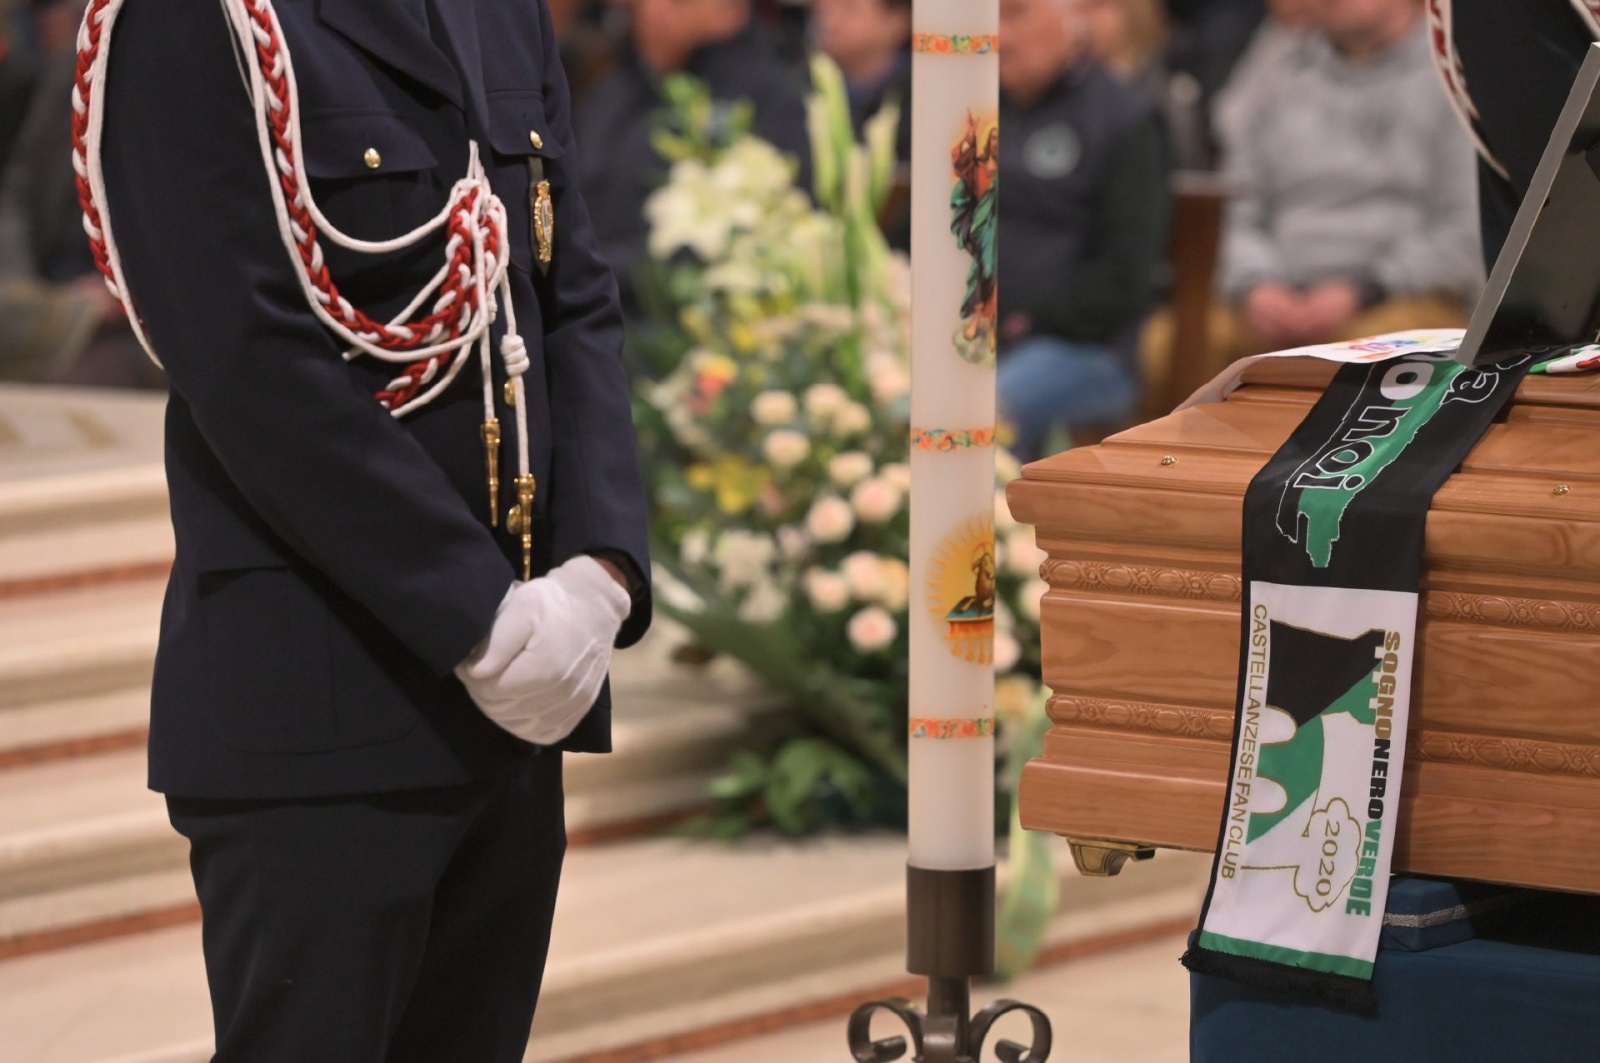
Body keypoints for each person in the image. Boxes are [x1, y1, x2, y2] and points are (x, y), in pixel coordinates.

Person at [82, 0, 651, 1058]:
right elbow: (245, 360)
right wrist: (471, 613)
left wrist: (601, 566)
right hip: (324, 701)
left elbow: (570, 291)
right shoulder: (192, 20)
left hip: (518, 697)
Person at [1215, 0, 1483, 356]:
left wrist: (1366, 290)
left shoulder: (1455, 77)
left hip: (1398, 301)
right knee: (1162, 348)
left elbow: (1467, 230)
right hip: (1271, 299)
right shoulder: (1273, 71)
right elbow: (1231, 207)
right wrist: (1256, 283)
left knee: (1372, 358)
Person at [996, 0, 1173, 461]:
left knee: (983, 414)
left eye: (1015, 13)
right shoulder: (972, 111)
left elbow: (1124, 276)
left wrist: (1022, 321)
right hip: (971, 340)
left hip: (1084, 351)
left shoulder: (1125, 118)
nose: (999, 35)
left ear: (1071, 20)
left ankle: (985, 532)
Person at [575, 0, 811, 311]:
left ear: (732, 9)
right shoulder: (612, 84)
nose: (655, 10)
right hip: (589, 305)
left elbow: (743, 243)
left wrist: (592, 275)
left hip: (674, 323)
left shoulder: (770, 100)